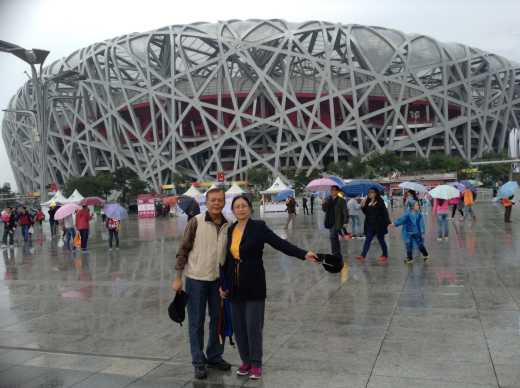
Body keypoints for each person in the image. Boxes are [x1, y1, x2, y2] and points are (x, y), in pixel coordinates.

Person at [220, 195, 318, 380]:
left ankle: (256, 363)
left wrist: (303, 254)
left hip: (254, 283)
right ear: (233, 210)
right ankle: (246, 361)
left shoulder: (259, 227)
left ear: (250, 208)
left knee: (253, 327)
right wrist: (223, 284)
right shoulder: (231, 229)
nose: (240, 209)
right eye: (237, 207)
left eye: (244, 206)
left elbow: (280, 244)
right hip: (234, 286)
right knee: (239, 328)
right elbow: (226, 260)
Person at [172, 188, 231, 380]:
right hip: (196, 280)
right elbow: (183, 250)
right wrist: (178, 277)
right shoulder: (195, 222)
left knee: (218, 320)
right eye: (213, 200)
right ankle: (198, 362)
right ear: (206, 202)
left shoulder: (227, 225)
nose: (216, 203)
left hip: (217, 282)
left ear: (223, 202)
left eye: (220, 200)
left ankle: (214, 356)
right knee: (196, 322)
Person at [357, 188, 391, 265]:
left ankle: (385, 255)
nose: (370, 194)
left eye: (372, 192)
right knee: (367, 240)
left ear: (375, 193)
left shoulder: (380, 201)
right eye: (369, 192)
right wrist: (362, 206)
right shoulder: (368, 202)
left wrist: (388, 222)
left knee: (381, 241)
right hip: (370, 225)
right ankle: (363, 255)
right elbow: (366, 212)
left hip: (379, 225)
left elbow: (385, 212)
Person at [321, 185, 347, 257]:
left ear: (338, 191)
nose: (332, 191)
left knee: (332, 236)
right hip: (329, 220)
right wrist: (323, 204)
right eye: (331, 190)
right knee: (334, 237)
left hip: (337, 221)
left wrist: (345, 221)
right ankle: (337, 252)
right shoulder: (328, 199)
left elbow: (345, 211)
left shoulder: (341, 200)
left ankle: (334, 253)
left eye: (334, 190)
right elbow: (324, 210)